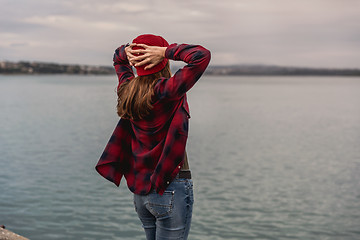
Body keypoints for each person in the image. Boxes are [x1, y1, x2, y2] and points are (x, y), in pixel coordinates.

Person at [95, 34, 211, 240]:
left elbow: (118, 59)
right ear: (159, 59)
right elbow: (201, 56)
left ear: (137, 61)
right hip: (169, 188)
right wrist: (166, 52)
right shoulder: (167, 91)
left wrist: (125, 51)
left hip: (141, 194)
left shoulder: (127, 90)